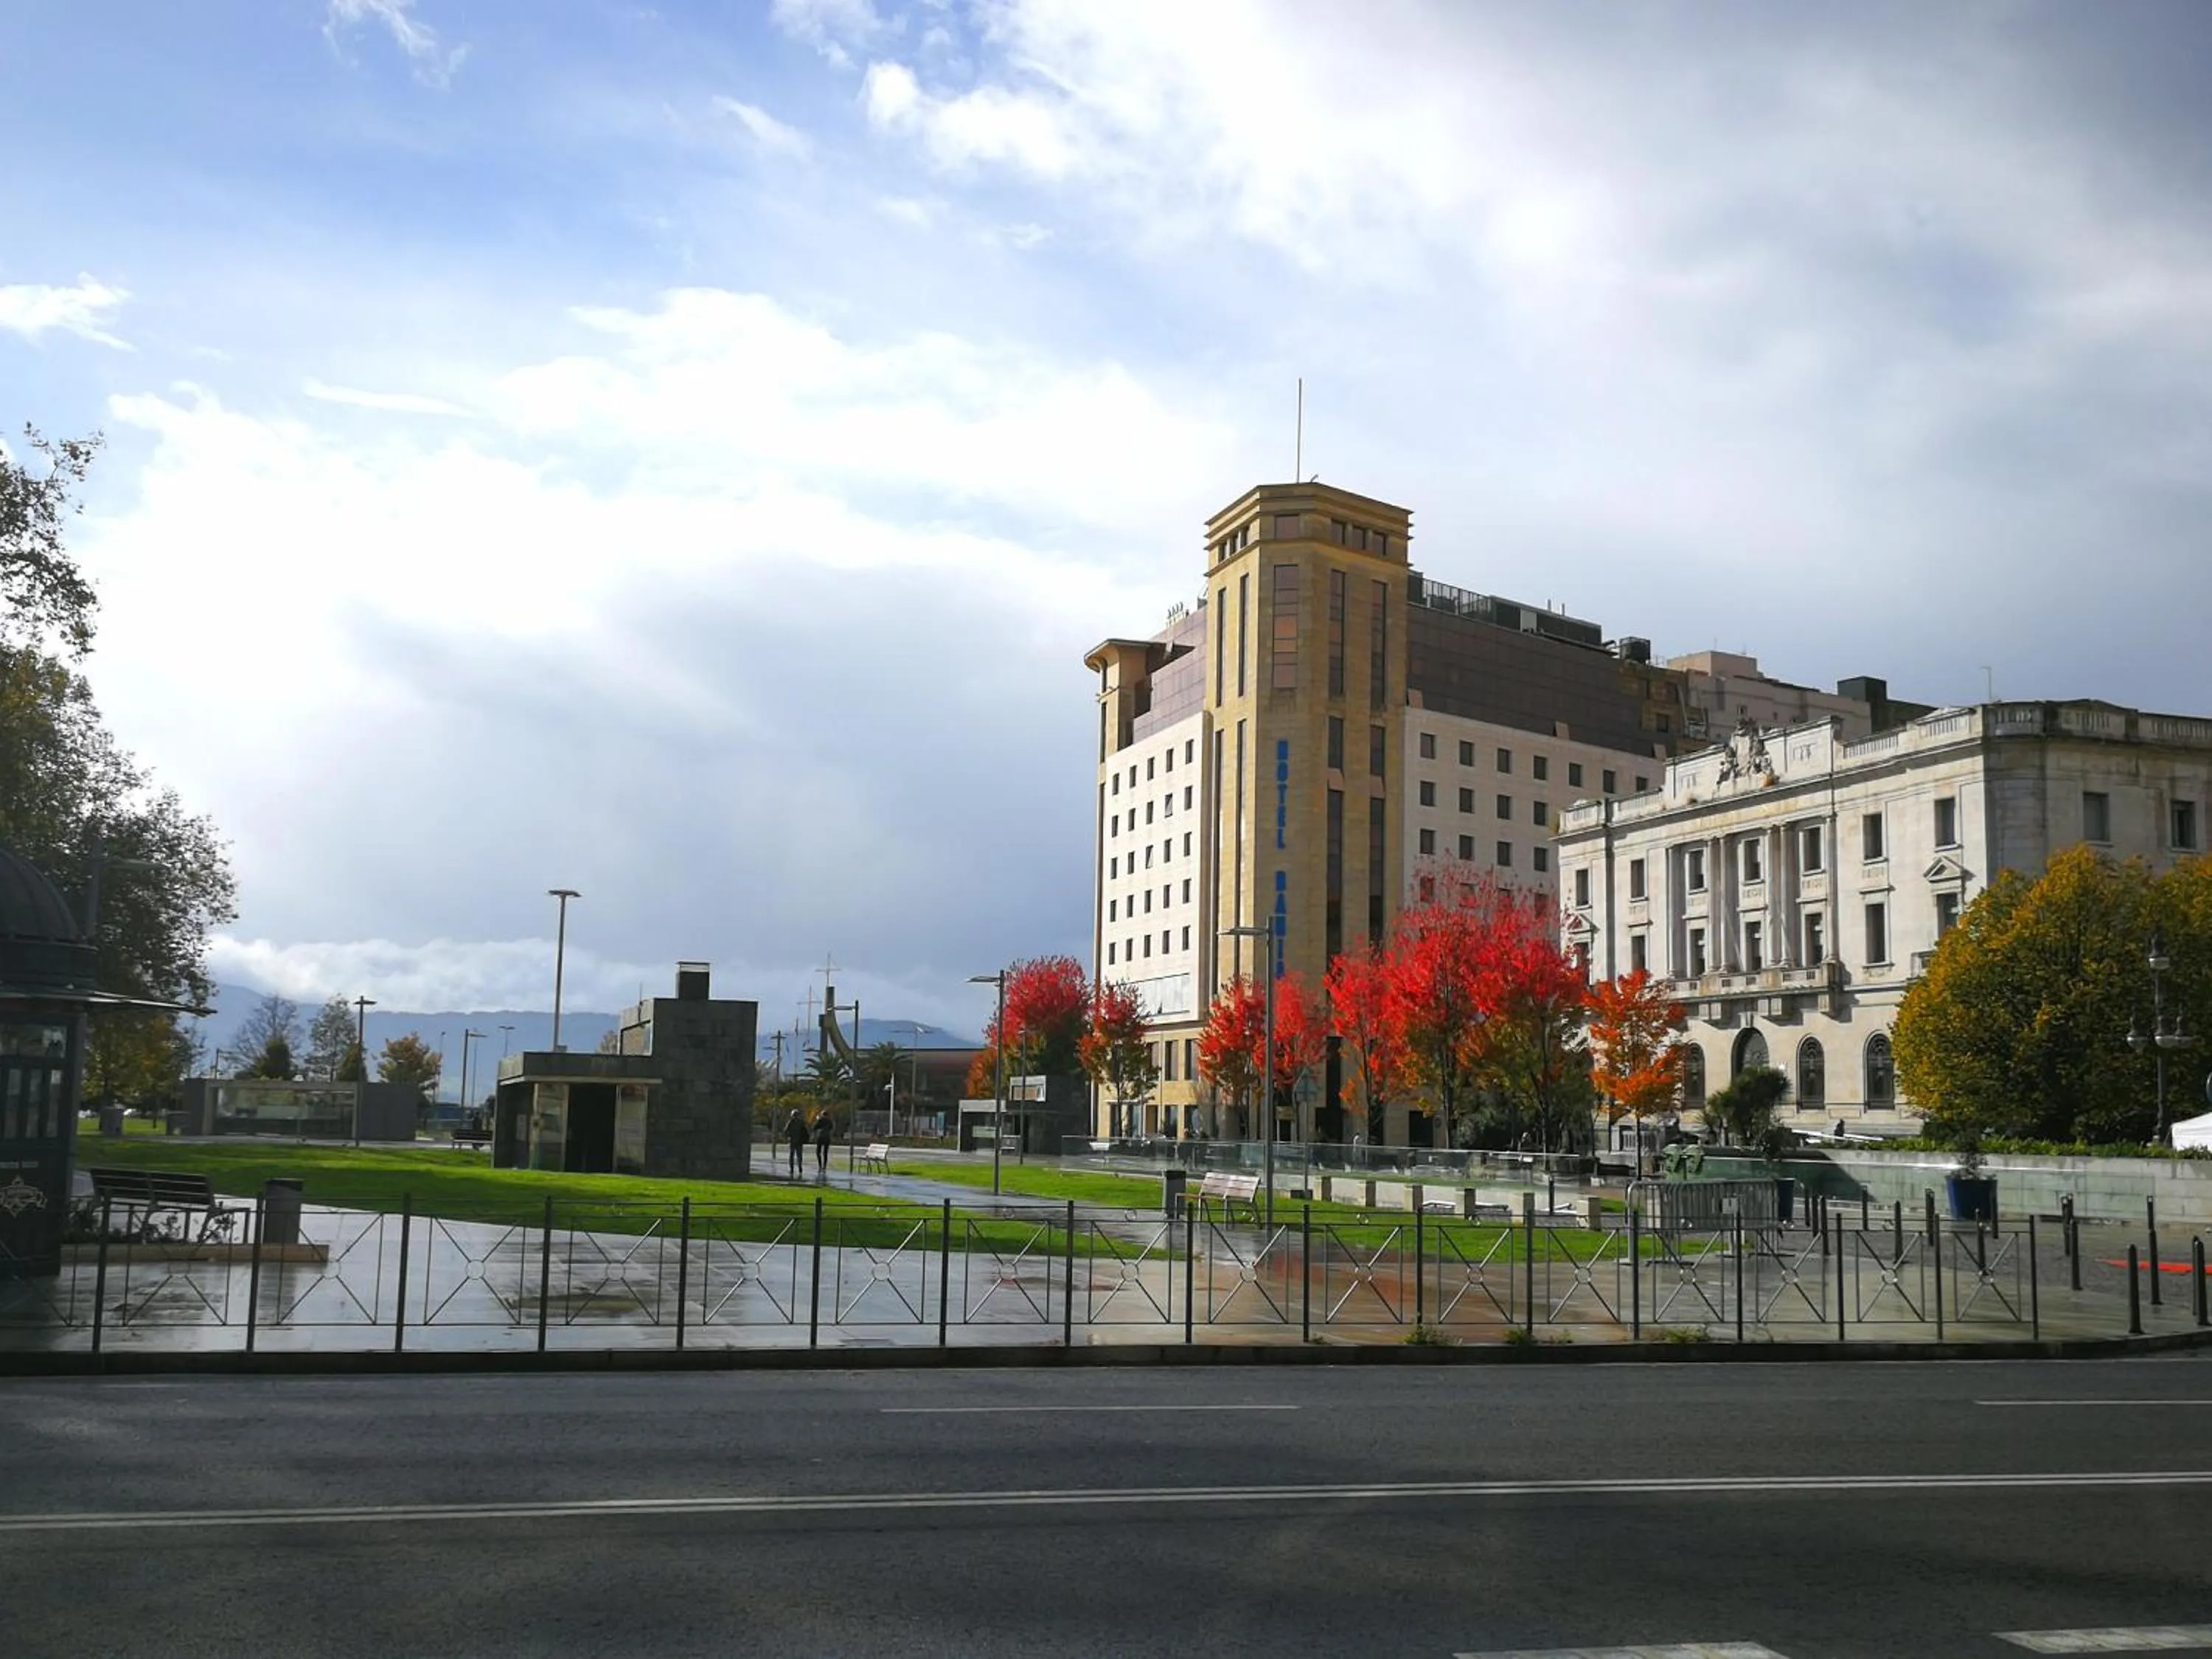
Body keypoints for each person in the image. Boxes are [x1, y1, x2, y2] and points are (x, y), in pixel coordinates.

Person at [784, 1110, 807, 1177]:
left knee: (792, 1155)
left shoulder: (791, 1122)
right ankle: (799, 1167)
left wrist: (788, 1136)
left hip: (793, 1141)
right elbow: (805, 1131)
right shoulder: (801, 1122)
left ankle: (792, 1169)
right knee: (799, 1155)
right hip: (799, 1141)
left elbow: (786, 1131)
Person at [812, 1109, 834, 1175]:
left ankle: (820, 1165)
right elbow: (832, 1128)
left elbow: (814, 1128)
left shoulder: (820, 1120)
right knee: (825, 1153)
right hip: (827, 1138)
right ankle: (824, 1166)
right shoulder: (830, 1121)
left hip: (820, 1137)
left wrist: (817, 1120)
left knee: (818, 1152)